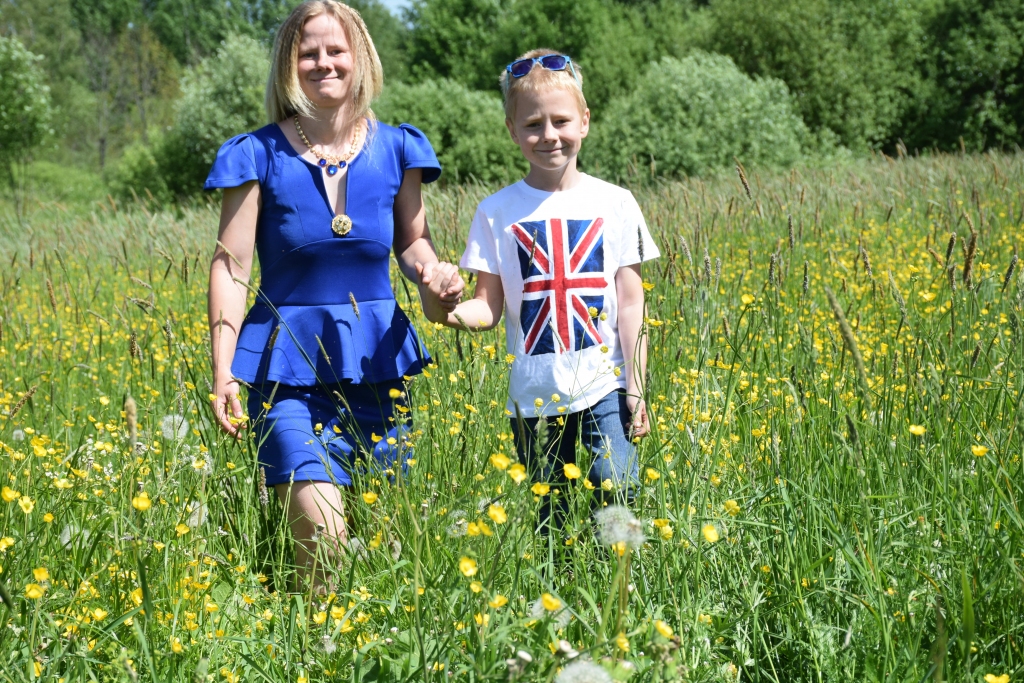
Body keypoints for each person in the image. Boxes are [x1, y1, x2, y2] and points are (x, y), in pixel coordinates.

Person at [205, 0, 463, 587]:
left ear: (360, 56)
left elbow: (414, 244)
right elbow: (230, 265)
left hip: (379, 366)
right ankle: (314, 652)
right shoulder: (254, 154)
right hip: (287, 373)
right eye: (308, 52)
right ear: (288, 65)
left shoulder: (400, 148)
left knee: (397, 549)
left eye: (336, 50)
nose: (323, 62)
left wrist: (436, 274)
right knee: (324, 539)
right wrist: (223, 371)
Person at [421, 49, 660, 534]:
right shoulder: (496, 211)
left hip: (604, 385)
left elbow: (632, 302)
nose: (548, 135)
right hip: (533, 394)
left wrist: (636, 386)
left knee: (617, 483)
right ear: (512, 130)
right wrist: (441, 306)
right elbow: (487, 308)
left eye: (560, 121)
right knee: (553, 511)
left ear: (585, 121)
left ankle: (617, 591)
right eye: (532, 124)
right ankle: (560, 596)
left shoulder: (616, 202)